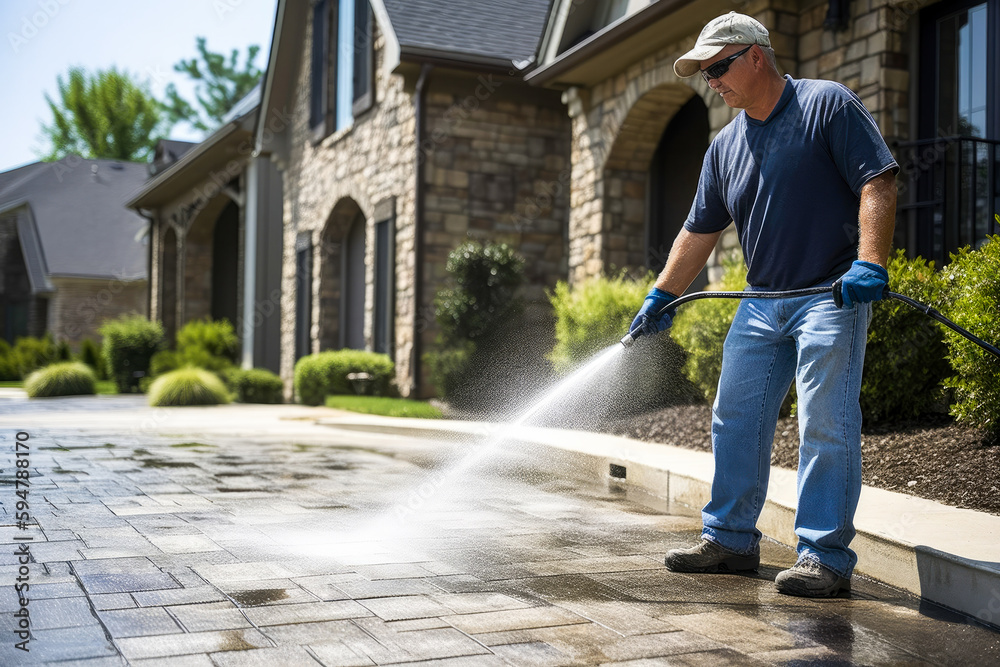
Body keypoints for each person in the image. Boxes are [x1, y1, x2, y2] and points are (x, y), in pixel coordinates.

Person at [629, 11, 898, 598]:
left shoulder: (826, 105)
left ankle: (823, 555)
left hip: (830, 295)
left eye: (718, 68)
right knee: (734, 418)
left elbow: (877, 181)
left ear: (755, 56)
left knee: (826, 421)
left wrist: (870, 263)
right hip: (761, 302)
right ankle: (729, 541)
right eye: (704, 74)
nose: (712, 82)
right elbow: (698, 230)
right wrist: (663, 294)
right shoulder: (724, 146)